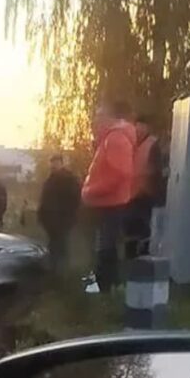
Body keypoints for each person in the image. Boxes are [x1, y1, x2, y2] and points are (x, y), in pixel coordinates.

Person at [81, 99, 136, 294]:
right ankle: (104, 284)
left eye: (100, 115)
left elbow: (119, 174)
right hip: (106, 202)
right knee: (105, 245)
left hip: (110, 203)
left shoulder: (116, 139)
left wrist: (91, 191)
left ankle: (105, 287)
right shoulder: (109, 138)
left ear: (110, 117)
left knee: (106, 246)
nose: (96, 119)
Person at [125, 113, 165, 259]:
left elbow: (156, 170)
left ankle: (144, 257)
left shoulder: (152, 145)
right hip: (132, 194)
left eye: (142, 126)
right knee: (131, 229)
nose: (138, 129)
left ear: (147, 128)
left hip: (146, 195)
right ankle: (130, 257)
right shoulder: (131, 143)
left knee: (144, 229)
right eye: (137, 126)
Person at [37, 154, 82, 272]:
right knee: (54, 250)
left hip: (62, 221)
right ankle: (56, 277)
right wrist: (42, 216)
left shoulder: (69, 179)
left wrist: (67, 218)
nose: (53, 165)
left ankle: (62, 278)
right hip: (51, 223)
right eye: (52, 162)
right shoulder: (50, 180)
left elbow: (75, 200)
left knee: (61, 249)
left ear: (61, 163)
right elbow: (44, 200)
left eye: (56, 162)